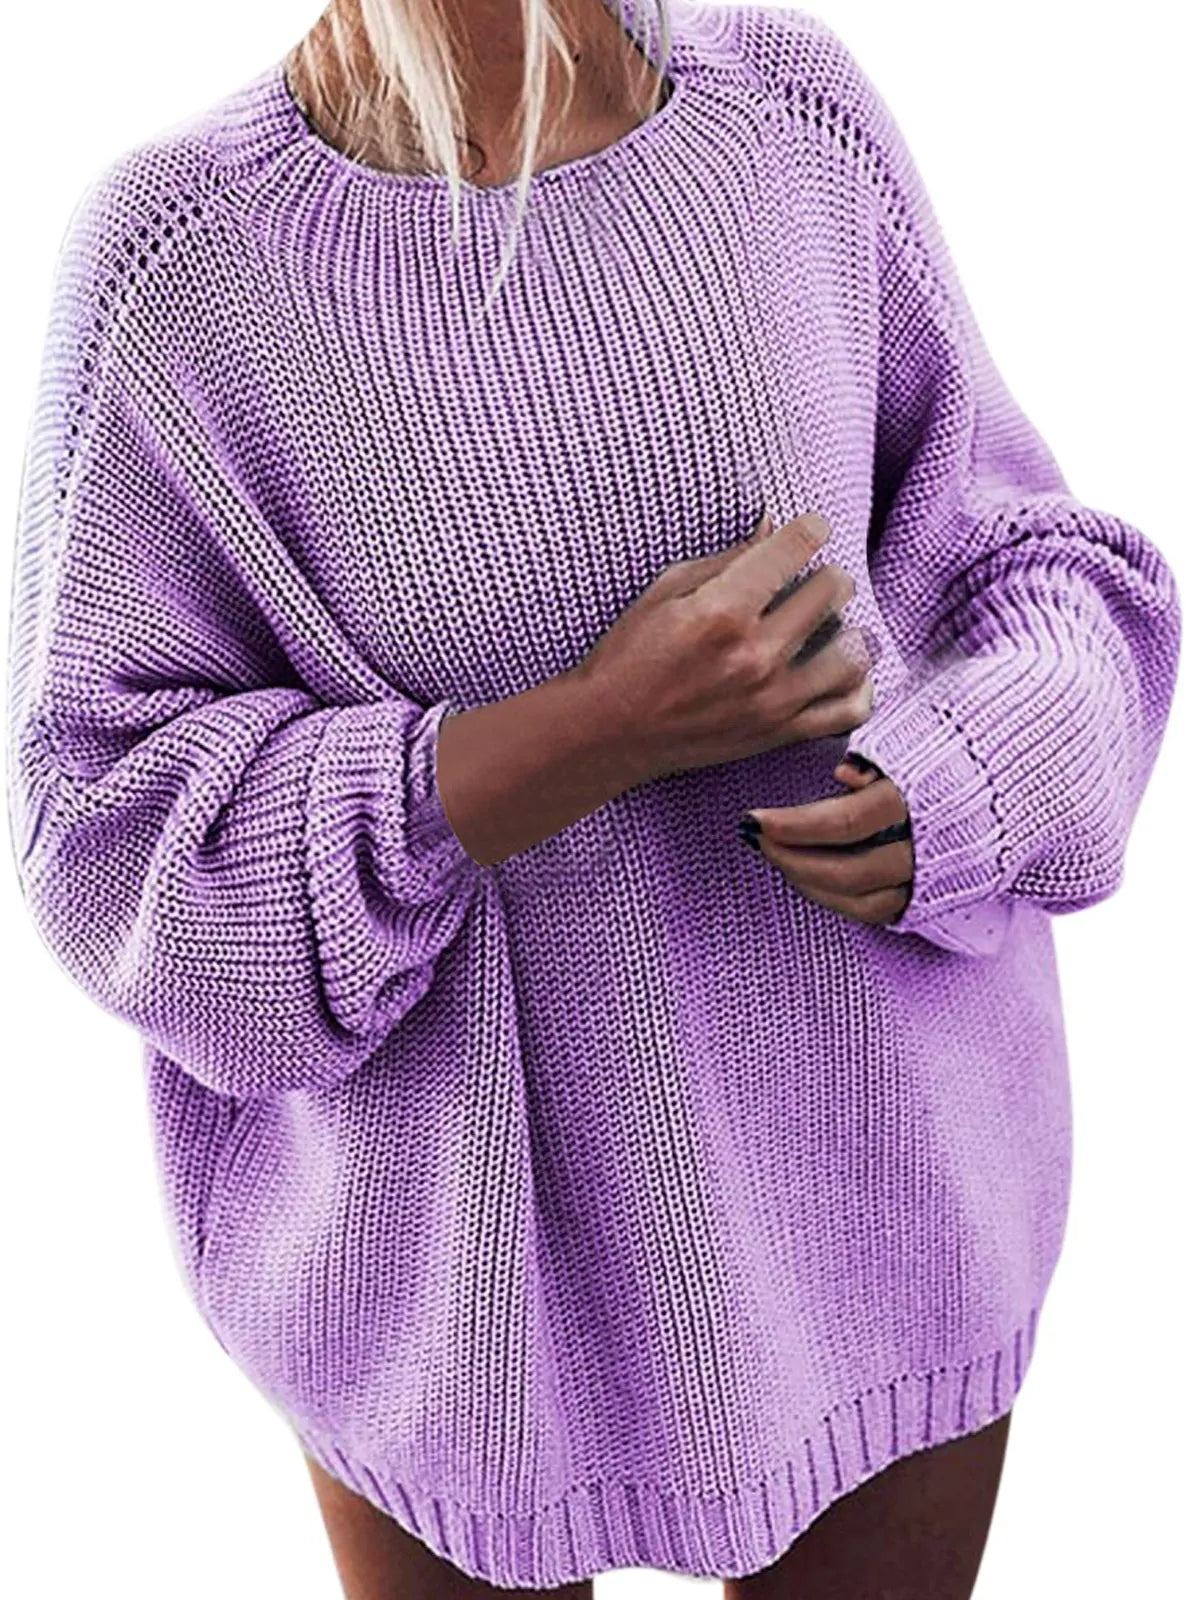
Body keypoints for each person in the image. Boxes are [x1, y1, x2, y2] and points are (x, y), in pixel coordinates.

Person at [5, 1, 1181, 1596]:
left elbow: (1028, 562)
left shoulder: (790, 115)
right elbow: (106, 840)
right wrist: (592, 732)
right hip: (456, 1311)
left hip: (889, 1204)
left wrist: (972, 775)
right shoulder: (178, 265)